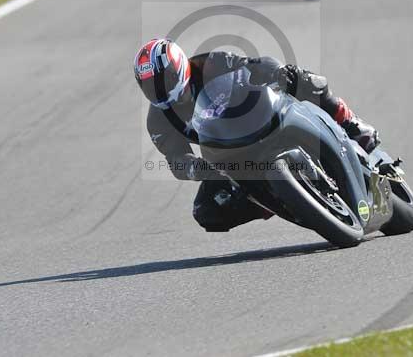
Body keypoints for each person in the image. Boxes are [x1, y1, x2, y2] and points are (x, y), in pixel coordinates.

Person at [133, 38, 379, 232]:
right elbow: (176, 159)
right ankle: (277, 201)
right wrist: (196, 168)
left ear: (178, 67)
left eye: (161, 79)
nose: (157, 89)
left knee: (303, 80)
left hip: (258, 119)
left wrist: (278, 73)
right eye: (149, 85)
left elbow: (256, 65)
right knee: (206, 211)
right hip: (226, 154)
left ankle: (349, 122)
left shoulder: (211, 63)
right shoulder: (158, 121)